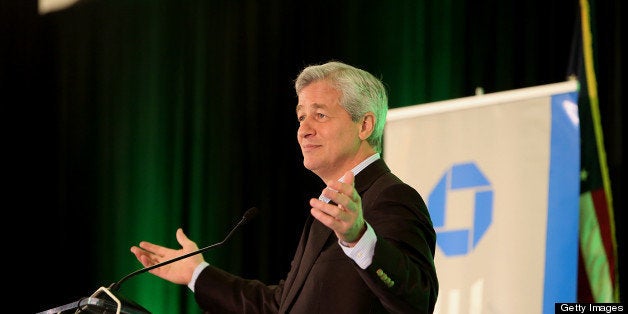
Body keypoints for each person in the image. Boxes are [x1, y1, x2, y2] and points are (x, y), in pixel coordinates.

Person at [130, 61, 439, 313]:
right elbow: (281, 306)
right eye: (301, 117)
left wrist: (360, 238)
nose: (304, 130)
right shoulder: (328, 211)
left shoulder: (391, 197)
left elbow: (417, 301)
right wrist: (197, 273)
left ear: (364, 125)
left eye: (320, 115)